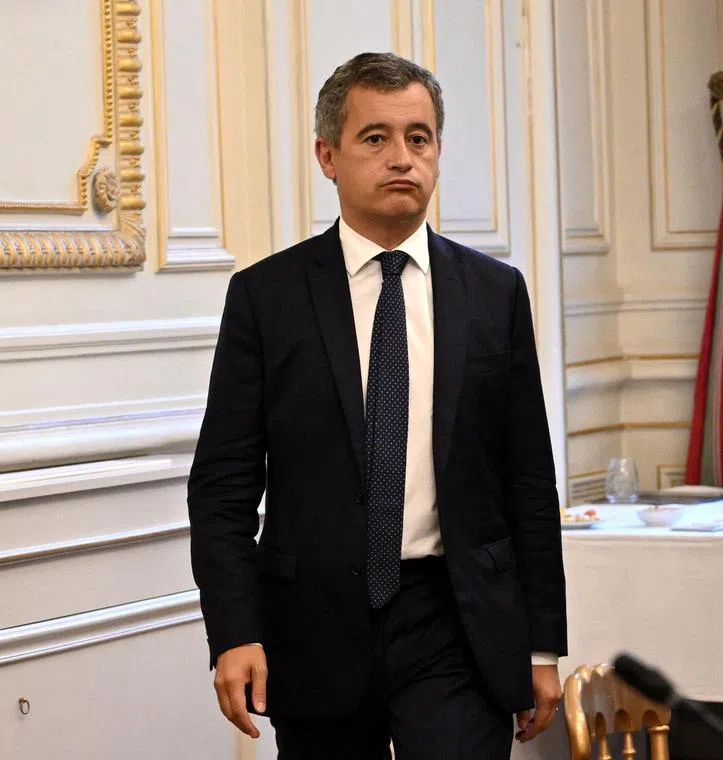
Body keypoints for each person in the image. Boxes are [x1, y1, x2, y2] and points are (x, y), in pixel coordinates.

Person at [188, 52, 567, 759]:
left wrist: (543, 642)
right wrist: (234, 630)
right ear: (328, 156)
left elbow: (528, 482)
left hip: (456, 618)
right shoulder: (267, 299)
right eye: (376, 138)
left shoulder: (494, 294)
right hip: (317, 626)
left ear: (438, 154)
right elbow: (224, 486)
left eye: (418, 138)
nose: (402, 158)